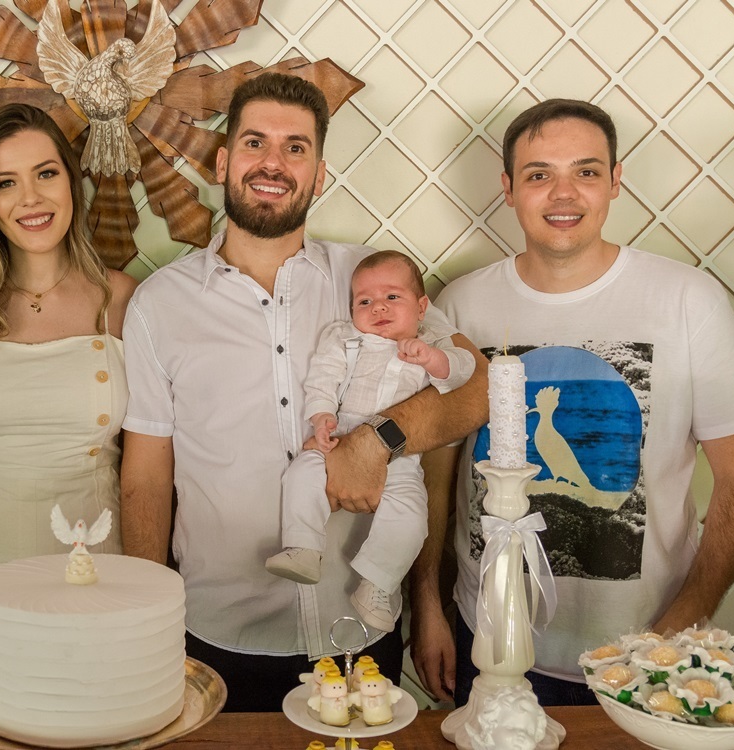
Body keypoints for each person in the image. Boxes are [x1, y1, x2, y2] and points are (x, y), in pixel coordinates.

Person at [120, 72, 489, 711]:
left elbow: (476, 387)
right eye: (254, 142)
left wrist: (377, 440)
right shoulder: (159, 304)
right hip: (217, 633)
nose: (273, 163)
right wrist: (147, 626)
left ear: (319, 175)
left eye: (295, 148)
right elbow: (146, 478)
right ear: (222, 162)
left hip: (360, 630)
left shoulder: (372, 281)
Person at [411, 98, 734, 707]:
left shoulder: (687, 301)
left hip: (645, 650)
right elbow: (435, 481)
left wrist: (678, 628)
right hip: (487, 640)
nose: (563, 194)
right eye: (539, 174)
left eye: (587, 171)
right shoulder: (460, 306)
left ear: (615, 181)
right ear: (508, 189)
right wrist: (430, 608)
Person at [0, 103, 137, 680]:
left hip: (96, 565)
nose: (30, 198)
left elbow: (155, 453)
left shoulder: (122, 300)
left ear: (72, 181)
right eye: (5, 183)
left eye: (45, 173)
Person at [265, 250, 474, 633]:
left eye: (392, 297)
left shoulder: (431, 344)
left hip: (401, 455)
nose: (378, 307)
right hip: (339, 435)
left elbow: (463, 372)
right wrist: (321, 416)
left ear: (421, 307)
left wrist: (431, 359)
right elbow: (322, 377)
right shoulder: (346, 338)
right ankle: (303, 547)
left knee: (412, 516)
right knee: (302, 472)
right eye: (364, 301)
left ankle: (376, 585)